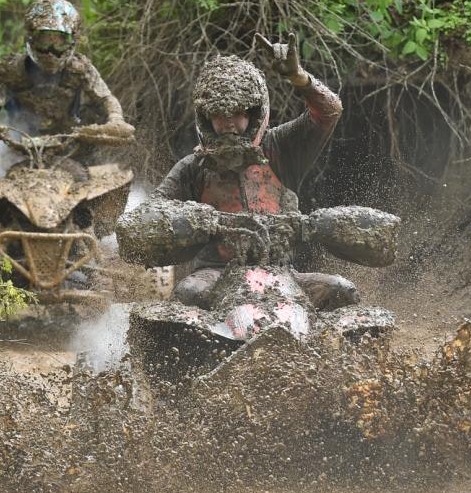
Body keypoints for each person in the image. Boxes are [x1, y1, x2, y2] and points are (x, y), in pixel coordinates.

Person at [150, 32, 359, 311]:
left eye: (237, 113)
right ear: (204, 117)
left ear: (253, 114)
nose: (227, 124)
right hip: (214, 275)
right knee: (187, 293)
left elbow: (329, 111)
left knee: (341, 291)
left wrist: (299, 77)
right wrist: (191, 220)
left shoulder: (281, 149)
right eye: (218, 114)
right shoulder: (192, 168)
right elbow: (153, 213)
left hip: (283, 273)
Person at [0, 0, 134, 155]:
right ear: (31, 39)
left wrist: (116, 120)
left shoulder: (80, 68)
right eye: (44, 41)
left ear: (72, 41)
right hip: (20, 148)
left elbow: (106, 99)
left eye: (59, 42)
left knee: (98, 173)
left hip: (71, 148)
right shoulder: (12, 69)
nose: (50, 52)